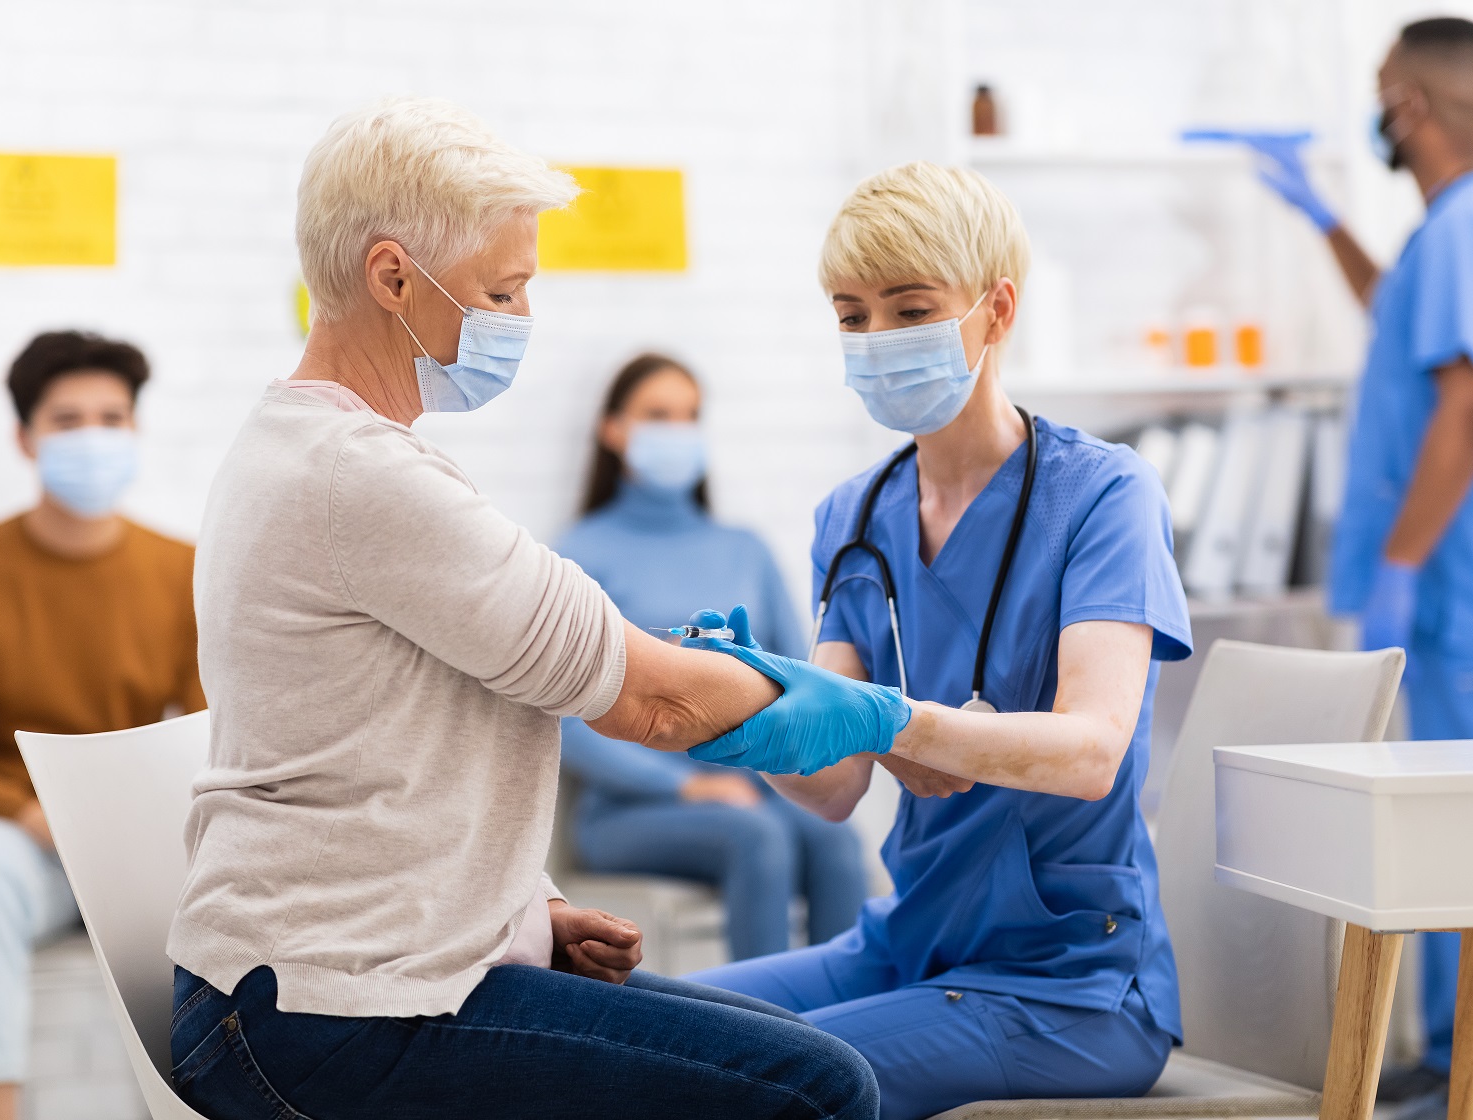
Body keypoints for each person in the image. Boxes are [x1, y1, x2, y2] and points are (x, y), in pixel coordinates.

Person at [163, 96, 925, 1120]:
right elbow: (649, 703)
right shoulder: (360, 478)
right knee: (821, 1089)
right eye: (502, 290)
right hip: (324, 1015)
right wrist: (887, 716)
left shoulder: (310, 448)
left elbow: (379, 754)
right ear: (392, 277)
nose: (519, 318)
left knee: (801, 1053)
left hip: (331, 979)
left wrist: (528, 909)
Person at [686, 161, 1194, 1120]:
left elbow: (1090, 753)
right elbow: (833, 787)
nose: (877, 339)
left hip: (1067, 983)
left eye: (910, 308)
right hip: (907, 944)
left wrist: (893, 723)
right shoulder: (857, 514)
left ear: (995, 312)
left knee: (751, 1086)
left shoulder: (1103, 497)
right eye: (852, 314)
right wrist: (744, 711)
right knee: (642, 1034)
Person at [1232, 18, 1473, 1118]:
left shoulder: (1470, 229)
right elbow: (1400, 313)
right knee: (1444, 830)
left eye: (1382, 91)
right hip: (1458, 580)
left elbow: (1471, 405)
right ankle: (1453, 1061)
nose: (1377, 110)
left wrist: (1402, 561)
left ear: (1409, 105)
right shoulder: (1451, 234)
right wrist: (1327, 221)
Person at [0, 331, 204, 1120]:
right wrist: (50, 822)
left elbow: (210, 739)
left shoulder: (182, 572)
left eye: (112, 416)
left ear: (136, 430)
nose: (93, 436)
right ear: (23, 437)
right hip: (20, 848)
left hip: (138, 847)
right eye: (68, 419)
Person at [557, 353, 866, 961]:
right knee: (759, 838)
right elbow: (563, 720)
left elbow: (795, 679)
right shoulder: (578, 554)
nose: (677, 431)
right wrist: (686, 786)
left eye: (690, 415)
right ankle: (770, 1044)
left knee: (838, 842)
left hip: (747, 792)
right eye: (658, 414)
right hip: (625, 812)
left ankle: (842, 1036)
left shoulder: (744, 550)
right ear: (613, 429)